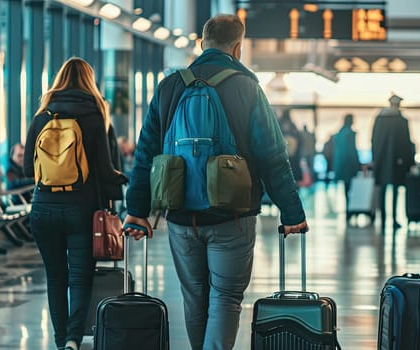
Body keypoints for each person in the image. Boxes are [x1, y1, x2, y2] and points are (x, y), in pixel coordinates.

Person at [123, 14, 308, 350]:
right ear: (238, 47)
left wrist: (136, 209)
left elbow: (146, 152)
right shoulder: (247, 86)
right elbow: (272, 156)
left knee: (195, 299)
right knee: (225, 298)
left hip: (179, 214)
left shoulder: (170, 85)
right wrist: (292, 212)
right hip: (232, 214)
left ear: (200, 44)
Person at [23, 57, 127, 350]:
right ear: (89, 81)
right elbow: (106, 170)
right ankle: (72, 339)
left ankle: (59, 342)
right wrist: (122, 180)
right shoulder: (95, 115)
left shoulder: (42, 116)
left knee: (56, 278)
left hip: (43, 207)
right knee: (80, 279)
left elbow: (27, 170)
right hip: (82, 209)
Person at [371, 93, 414, 230]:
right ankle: (394, 219)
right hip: (397, 161)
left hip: (381, 160)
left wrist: (375, 158)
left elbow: (373, 140)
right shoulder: (401, 120)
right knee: (395, 189)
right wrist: (409, 162)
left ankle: (382, 219)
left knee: (382, 189)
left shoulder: (379, 119)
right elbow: (406, 143)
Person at [332, 113, 361, 209]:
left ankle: (348, 208)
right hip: (349, 164)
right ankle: (351, 208)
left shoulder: (339, 133)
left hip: (341, 164)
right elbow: (352, 151)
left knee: (346, 188)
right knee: (351, 187)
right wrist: (358, 164)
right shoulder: (350, 134)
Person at [278, 108, 303, 182]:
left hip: (284, 153)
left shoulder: (280, 123)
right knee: (293, 171)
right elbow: (299, 138)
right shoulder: (292, 125)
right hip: (293, 154)